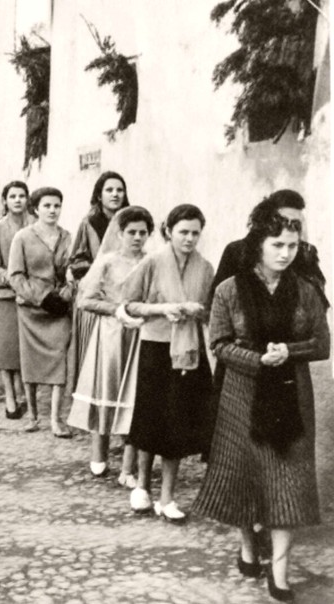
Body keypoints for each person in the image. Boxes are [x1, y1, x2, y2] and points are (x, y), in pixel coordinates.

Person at [192, 207, 329, 602]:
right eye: (278, 245)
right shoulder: (229, 290)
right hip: (242, 396)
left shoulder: (306, 290)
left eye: (293, 245)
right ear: (258, 246)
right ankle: (249, 548)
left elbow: (322, 344)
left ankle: (279, 573)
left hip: (291, 397)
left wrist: (289, 351)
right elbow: (219, 344)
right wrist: (257, 359)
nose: (286, 253)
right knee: (245, 478)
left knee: (289, 482)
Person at [120, 204, 214, 522]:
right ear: (169, 231)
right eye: (183, 232)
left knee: (178, 422)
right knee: (150, 419)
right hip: (156, 347)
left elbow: (210, 309)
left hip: (189, 350)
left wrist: (197, 311)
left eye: (195, 233)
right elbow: (129, 304)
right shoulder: (152, 262)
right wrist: (164, 309)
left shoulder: (205, 267)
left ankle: (167, 496)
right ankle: (142, 486)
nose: (189, 238)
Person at [66, 207, 153, 484]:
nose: (137, 237)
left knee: (135, 395)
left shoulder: (152, 262)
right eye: (131, 232)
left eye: (142, 233)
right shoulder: (107, 261)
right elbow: (85, 300)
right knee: (106, 387)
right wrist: (116, 310)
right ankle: (99, 454)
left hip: (141, 334)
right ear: (120, 233)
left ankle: (129, 464)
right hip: (111, 334)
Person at [8, 187, 73, 436]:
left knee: (59, 359)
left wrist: (65, 294)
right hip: (32, 309)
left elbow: (72, 271)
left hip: (59, 309)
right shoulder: (23, 237)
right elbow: (15, 275)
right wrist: (40, 298)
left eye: (57, 205)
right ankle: (33, 417)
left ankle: (56, 419)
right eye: (47, 205)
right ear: (36, 208)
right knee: (31, 363)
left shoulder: (67, 237)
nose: (52, 210)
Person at [68, 172, 130, 393]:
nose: (115, 194)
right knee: (91, 348)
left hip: (124, 293)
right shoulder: (89, 223)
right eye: (109, 190)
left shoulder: (130, 221)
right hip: (96, 295)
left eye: (119, 190)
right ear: (99, 195)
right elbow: (77, 260)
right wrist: (98, 273)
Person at [0, 181, 33, 419]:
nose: (18, 200)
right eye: (13, 196)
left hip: (34, 296)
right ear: (5, 200)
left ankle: (26, 394)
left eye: (22, 195)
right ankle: (10, 397)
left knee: (26, 349)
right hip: (7, 295)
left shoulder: (36, 225)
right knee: (6, 348)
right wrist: (15, 280)